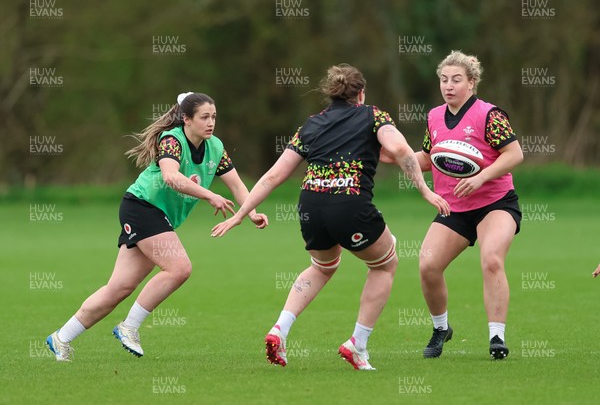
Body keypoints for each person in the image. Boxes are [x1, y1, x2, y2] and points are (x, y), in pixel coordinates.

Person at [211, 64, 450, 370]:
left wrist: (240, 215)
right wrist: (425, 191)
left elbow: (273, 176)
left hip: (311, 205)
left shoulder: (311, 124)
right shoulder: (373, 115)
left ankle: (279, 329)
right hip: (349, 205)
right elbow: (401, 149)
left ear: (331, 94)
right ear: (361, 93)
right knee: (385, 264)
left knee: (322, 267)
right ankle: (358, 345)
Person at [46, 92, 268, 361]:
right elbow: (171, 177)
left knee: (119, 288)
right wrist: (209, 194)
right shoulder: (172, 140)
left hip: (156, 216)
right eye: (204, 117)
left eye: (214, 117)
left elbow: (237, 185)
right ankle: (129, 327)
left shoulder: (215, 148)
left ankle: (61, 338)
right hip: (142, 207)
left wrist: (251, 212)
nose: (211, 123)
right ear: (186, 119)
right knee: (179, 268)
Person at [414, 51, 524, 360]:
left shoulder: (490, 115)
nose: (448, 86)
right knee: (428, 265)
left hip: (496, 203)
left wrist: (482, 177)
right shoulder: (434, 116)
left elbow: (514, 154)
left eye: (456, 80)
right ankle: (441, 328)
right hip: (453, 207)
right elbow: (427, 157)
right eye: (444, 80)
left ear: (472, 83)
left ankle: (496, 338)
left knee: (491, 260)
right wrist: (394, 154)